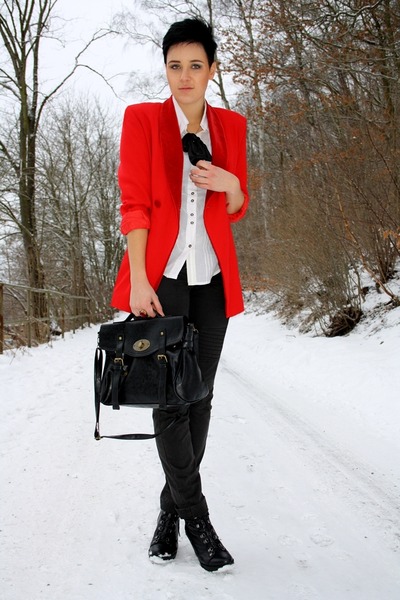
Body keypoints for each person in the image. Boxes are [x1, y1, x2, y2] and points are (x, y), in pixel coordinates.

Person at [111, 17, 249, 572]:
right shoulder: (143, 120)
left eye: (196, 65)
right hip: (161, 278)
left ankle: (170, 511)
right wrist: (140, 277)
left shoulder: (232, 127)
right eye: (175, 66)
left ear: (212, 70)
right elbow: (135, 203)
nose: (185, 77)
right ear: (164, 69)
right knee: (169, 399)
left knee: (200, 395)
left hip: (212, 279)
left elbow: (237, 205)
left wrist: (231, 186)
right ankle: (197, 520)